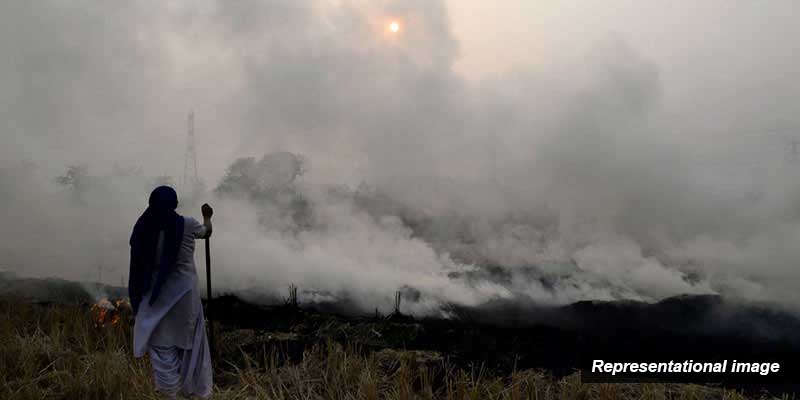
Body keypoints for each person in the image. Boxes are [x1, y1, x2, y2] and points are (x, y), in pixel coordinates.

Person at [128, 186, 213, 398]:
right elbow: (206, 232)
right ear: (174, 204)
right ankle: (190, 390)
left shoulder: (143, 228)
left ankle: (170, 392)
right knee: (189, 344)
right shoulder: (188, 224)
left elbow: (137, 265)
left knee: (160, 343)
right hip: (186, 295)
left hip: (156, 295)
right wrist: (207, 216)